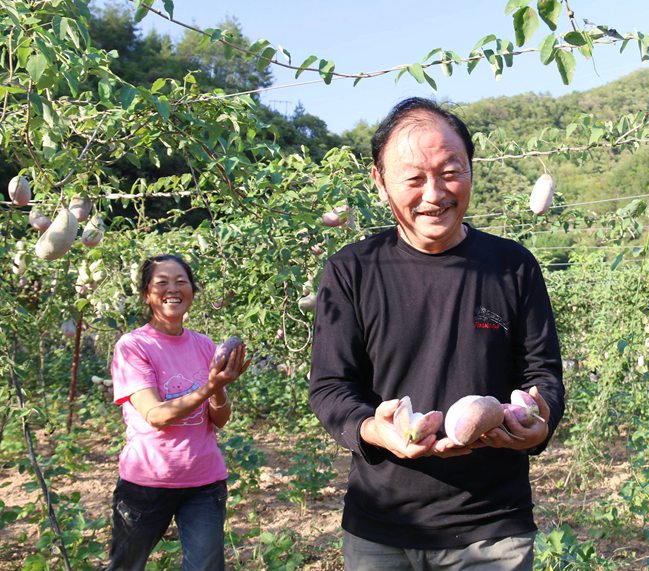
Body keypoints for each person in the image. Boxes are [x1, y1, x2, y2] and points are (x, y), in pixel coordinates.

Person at [309, 97, 565, 570]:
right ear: (380, 183)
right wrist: (373, 429)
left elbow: (543, 373)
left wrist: (537, 423)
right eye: (413, 178)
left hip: (492, 530)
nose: (434, 194)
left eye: (451, 172)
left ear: (471, 170)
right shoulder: (352, 271)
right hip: (381, 525)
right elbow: (330, 387)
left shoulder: (513, 267)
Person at [105, 254, 249, 571]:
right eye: (162, 283)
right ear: (146, 294)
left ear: (192, 292)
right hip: (146, 483)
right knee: (125, 566)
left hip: (203, 482)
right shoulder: (133, 346)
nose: (173, 289)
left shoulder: (204, 345)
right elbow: (156, 415)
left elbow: (220, 419)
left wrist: (220, 387)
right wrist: (210, 387)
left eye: (181, 282)